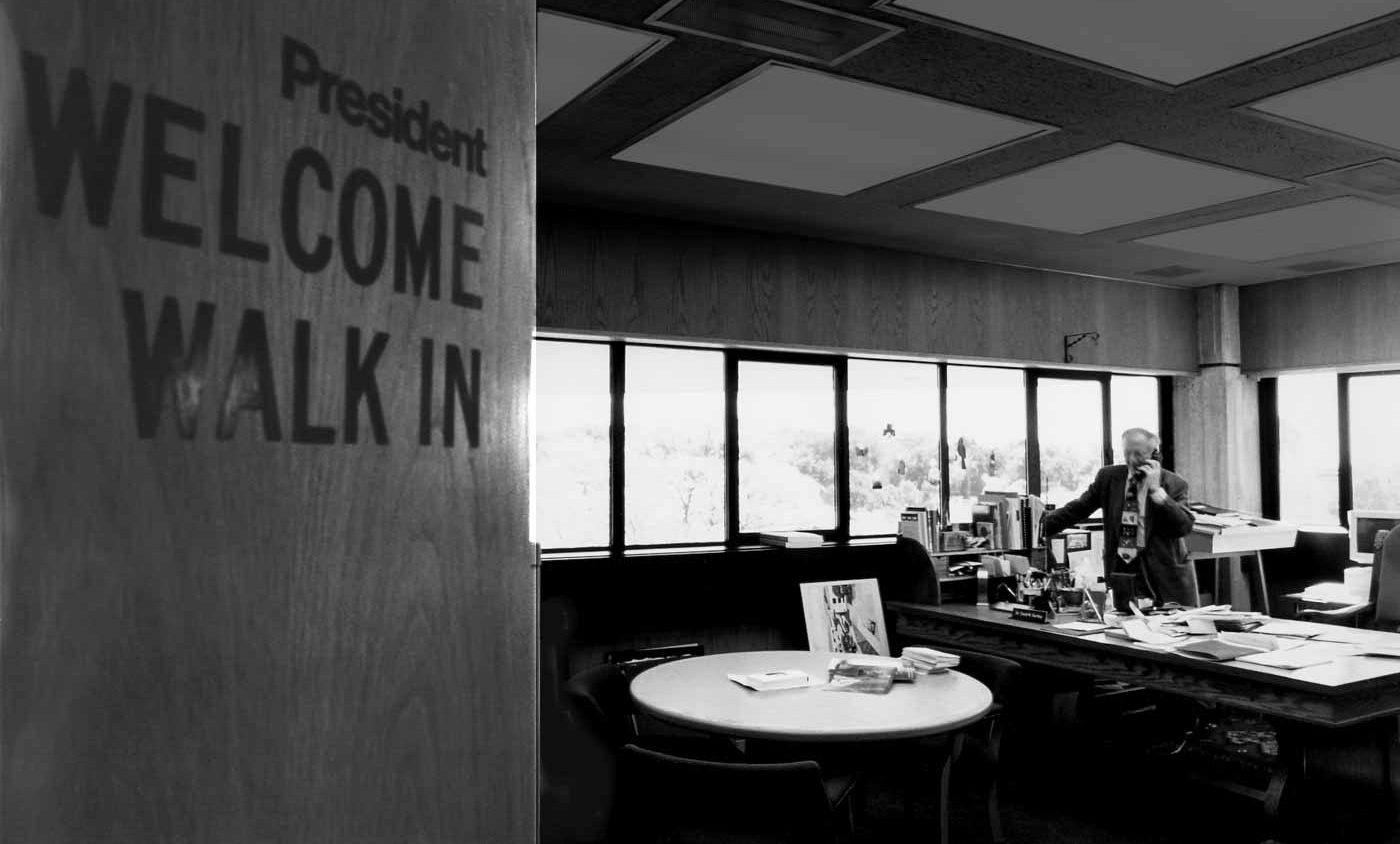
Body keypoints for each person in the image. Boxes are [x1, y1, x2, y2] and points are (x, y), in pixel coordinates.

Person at [1042, 428, 1197, 608]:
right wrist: (1035, 530)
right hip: (1123, 573)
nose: (1131, 460)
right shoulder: (1108, 478)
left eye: (1138, 454)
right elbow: (1077, 510)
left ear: (1154, 454)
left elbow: (1183, 527)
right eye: (1127, 453)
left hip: (1164, 579)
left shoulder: (1174, 484)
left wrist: (1156, 491)